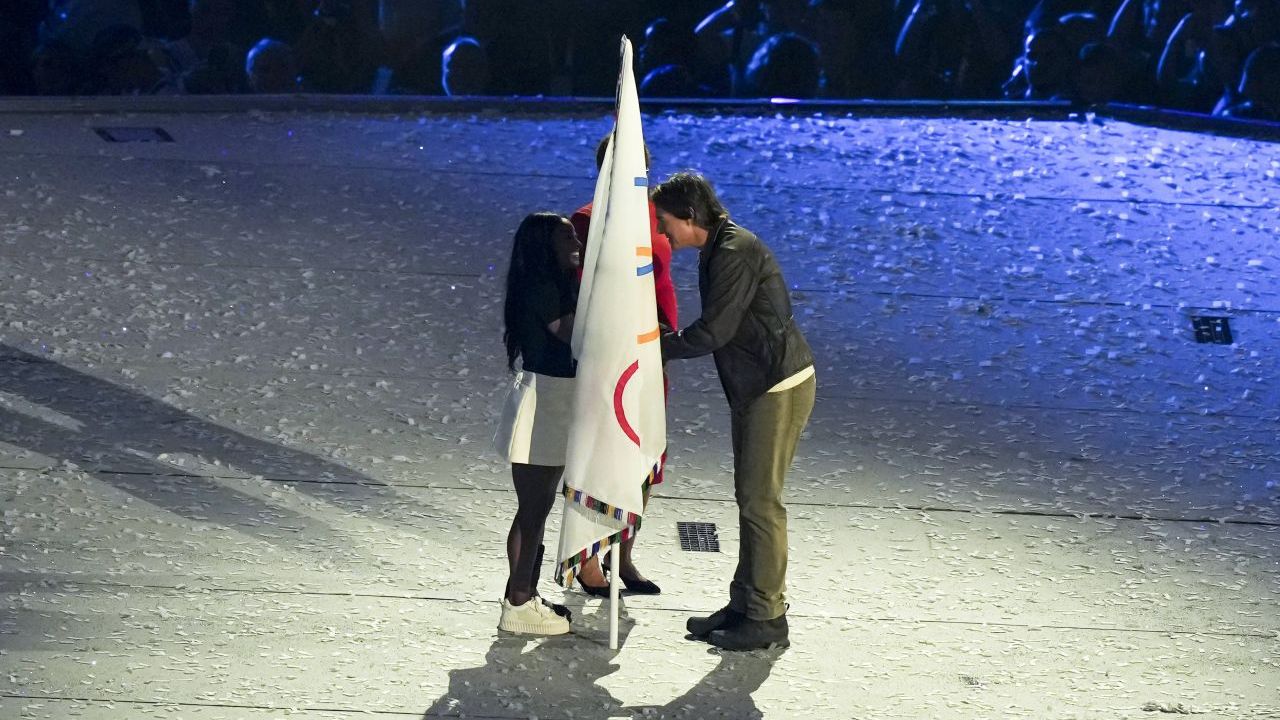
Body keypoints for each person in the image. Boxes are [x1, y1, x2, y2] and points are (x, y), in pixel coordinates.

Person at [652, 172, 815, 651]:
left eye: (665, 222)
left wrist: (655, 347)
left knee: (762, 501)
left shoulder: (733, 251)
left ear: (688, 216)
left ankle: (766, 616)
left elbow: (716, 330)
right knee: (750, 498)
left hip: (776, 385)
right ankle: (745, 603)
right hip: (757, 386)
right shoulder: (719, 248)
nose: (662, 232)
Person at [566, 136, 678, 597]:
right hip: (613, 353)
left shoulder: (657, 214)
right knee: (606, 452)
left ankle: (624, 555)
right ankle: (588, 558)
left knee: (643, 456)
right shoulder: (589, 218)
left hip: (655, 348)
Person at [493, 212, 582, 635]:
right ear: (547, 246)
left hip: (552, 398)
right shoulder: (544, 287)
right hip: (544, 400)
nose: (575, 240)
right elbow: (572, 334)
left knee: (536, 506)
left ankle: (522, 594)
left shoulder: (552, 283)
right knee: (534, 509)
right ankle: (519, 601)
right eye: (567, 236)